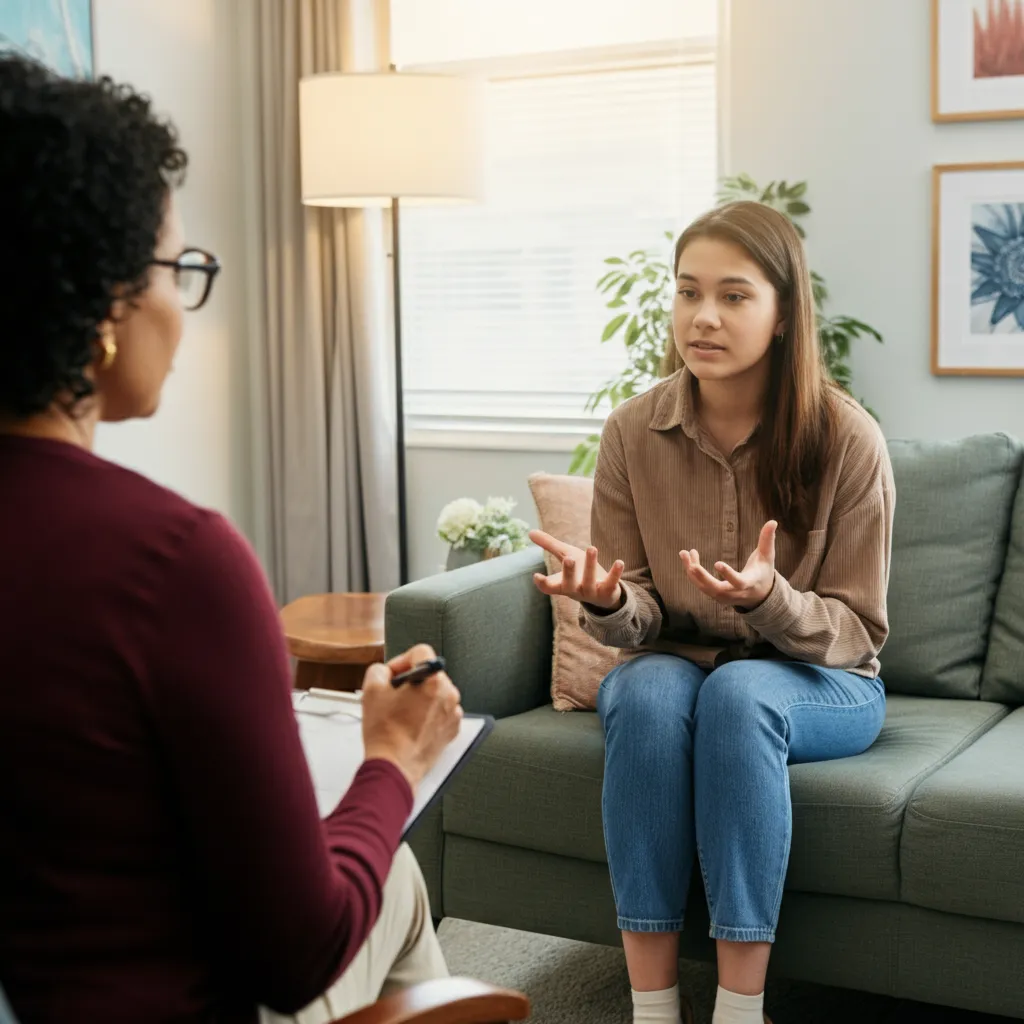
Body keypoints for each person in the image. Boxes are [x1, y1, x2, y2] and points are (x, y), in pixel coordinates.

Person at [0, 55, 461, 1024]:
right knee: (396, 873)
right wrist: (392, 762)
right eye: (178, 265)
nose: (183, 299)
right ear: (101, 307)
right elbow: (300, 949)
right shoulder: (168, 563)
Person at [531, 201, 894, 1024]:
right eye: (688, 291)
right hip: (675, 664)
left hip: (822, 680)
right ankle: (651, 1007)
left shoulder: (846, 438)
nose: (703, 316)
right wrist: (609, 599)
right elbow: (643, 615)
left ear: (783, 313)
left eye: (734, 296)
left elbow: (858, 631)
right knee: (650, 695)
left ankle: (738, 1009)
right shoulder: (632, 430)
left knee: (739, 697)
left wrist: (773, 601)